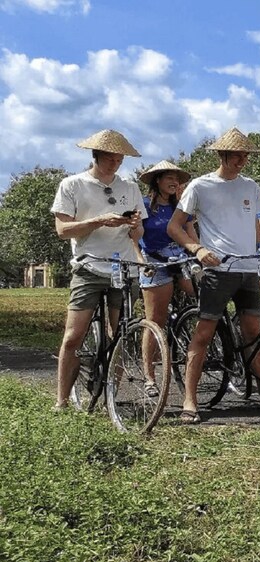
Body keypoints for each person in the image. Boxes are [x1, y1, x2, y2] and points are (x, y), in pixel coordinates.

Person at [167, 127, 260, 423]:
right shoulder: (200, 186)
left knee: (253, 333)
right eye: (237, 155)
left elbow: (256, 230)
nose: (242, 160)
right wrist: (196, 249)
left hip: (248, 268)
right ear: (223, 154)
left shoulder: (250, 187)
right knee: (204, 333)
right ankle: (190, 400)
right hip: (218, 270)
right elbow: (175, 226)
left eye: (245, 155)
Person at [50, 129, 146, 409]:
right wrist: (99, 220)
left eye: (120, 158)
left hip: (122, 267)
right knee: (73, 336)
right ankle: (62, 400)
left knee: (119, 335)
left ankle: (111, 398)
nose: (116, 162)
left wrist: (134, 225)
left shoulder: (130, 187)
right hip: (89, 266)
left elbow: (138, 234)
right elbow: (62, 230)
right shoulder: (72, 185)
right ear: (97, 155)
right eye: (111, 157)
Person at [138, 160, 197, 396]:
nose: (174, 182)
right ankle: (149, 376)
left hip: (180, 259)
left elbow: (191, 233)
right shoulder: (143, 205)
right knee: (155, 320)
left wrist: (200, 254)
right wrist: (142, 262)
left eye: (177, 178)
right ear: (157, 181)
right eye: (169, 178)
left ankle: (184, 331)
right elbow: (135, 237)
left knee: (199, 301)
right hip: (155, 262)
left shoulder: (181, 207)